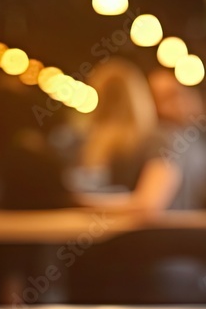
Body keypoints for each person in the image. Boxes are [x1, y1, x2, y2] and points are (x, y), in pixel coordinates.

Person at [77, 59, 182, 213]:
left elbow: (149, 204)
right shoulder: (85, 142)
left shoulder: (156, 141)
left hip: (139, 235)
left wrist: (80, 202)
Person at [148, 69, 206, 210]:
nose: (178, 103)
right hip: (164, 226)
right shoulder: (157, 138)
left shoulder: (196, 138)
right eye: (165, 98)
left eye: (178, 94)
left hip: (193, 224)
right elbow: (150, 203)